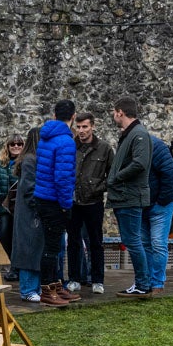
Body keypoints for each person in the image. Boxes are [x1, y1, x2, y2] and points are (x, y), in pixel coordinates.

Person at [106, 97, 153, 297]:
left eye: (114, 112)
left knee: (133, 241)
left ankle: (143, 284)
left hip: (130, 196)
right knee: (133, 240)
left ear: (120, 112)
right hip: (124, 196)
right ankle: (143, 282)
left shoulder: (139, 134)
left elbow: (140, 163)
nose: (113, 116)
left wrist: (116, 177)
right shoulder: (130, 134)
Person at [34, 100, 78, 306]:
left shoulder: (46, 137)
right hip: (54, 200)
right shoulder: (66, 141)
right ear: (74, 116)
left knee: (53, 246)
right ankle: (47, 289)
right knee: (52, 248)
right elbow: (62, 177)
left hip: (42, 196)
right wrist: (65, 204)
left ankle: (55, 286)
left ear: (54, 115)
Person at [66, 113, 113, 295]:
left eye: (85, 127)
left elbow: (113, 175)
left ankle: (97, 280)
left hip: (93, 201)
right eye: (78, 127)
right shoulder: (71, 147)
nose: (82, 131)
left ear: (92, 126)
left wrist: (98, 188)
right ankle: (74, 278)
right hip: (73, 200)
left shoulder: (104, 148)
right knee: (73, 241)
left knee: (96, 242)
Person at [11, 128, 47, 303]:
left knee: (35, 250)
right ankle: (27, 289)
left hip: (31, 212)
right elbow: (28, 189)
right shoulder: (30, 161)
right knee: (29, 250)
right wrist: (40, 207)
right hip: (30, 213)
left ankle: (33, 287)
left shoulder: (31, 159)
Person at [144, 135, 173, 296]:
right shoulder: (134, 144)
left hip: (159, 203)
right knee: (146, 244)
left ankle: (157, 282)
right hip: (144, 203)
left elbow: (171, 174)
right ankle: (148, 281)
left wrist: (162, 200)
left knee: (158, 243)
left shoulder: (156, 146)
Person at [0, 135, 25, 276]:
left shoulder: (26, 162)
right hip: (5, 206)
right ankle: (14, 264)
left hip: (21, 206)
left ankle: (17, 268)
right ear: (8, 146)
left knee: (19, 238)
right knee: (4, 235)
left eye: (19, 144)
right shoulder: (1, 164)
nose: (16, 146)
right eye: (13, 144)